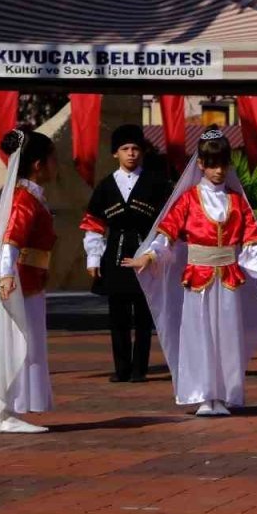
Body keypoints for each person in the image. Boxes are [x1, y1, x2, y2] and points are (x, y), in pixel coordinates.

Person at [125, 127, 257, 416]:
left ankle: (223, 395)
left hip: (227, 279)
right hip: (197, 278)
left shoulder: (237, 203)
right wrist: (149, 256)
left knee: (227, 335)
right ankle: (202, 395)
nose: (218, 170)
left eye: (223, 164)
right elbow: (166, 237)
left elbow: (251, 247)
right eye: (212, 164)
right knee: (198, 335)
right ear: (200, 164)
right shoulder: (187, 199)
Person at [0, 128, 59, 433]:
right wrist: (8, 274)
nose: (55, 166)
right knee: (17, 342)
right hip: (23, 282)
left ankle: (6, 408)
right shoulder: (26, 198)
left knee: (25, 343)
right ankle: (6, 410)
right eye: (53, 159)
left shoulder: (31, 196)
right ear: (38, 164)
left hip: (31, 279)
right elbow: (12, 238)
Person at [80, 125, 170, 384]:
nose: (131, 154)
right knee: (117, 316)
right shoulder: (105, 187)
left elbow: (166, 224)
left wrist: (154, 254)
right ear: (115, 154)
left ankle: (139, 369)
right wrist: (93, 258)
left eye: (135, 149)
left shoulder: (157, 183)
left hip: (146, 255)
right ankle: (121, 368)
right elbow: (94, 225)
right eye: (125, 149)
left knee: (143, 316)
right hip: (115, 255)